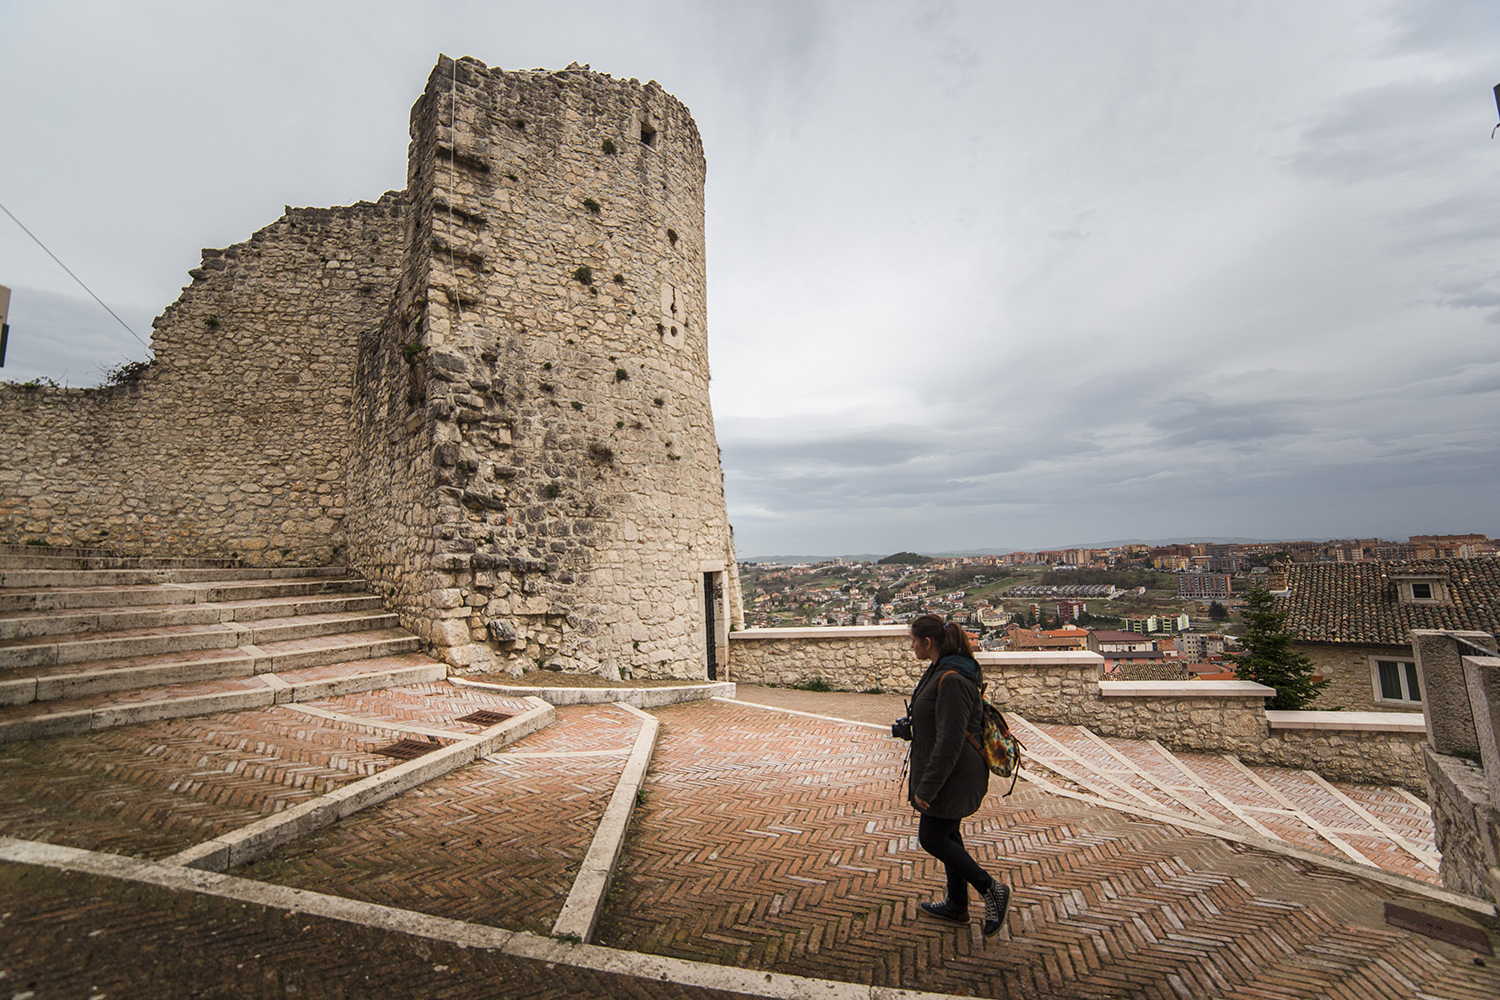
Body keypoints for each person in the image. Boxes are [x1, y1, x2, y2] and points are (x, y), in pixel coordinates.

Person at [904, 614, 1011, 936]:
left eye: (912, 641)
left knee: (933, 837)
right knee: (949, 836)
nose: (910, 647)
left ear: (927, 642)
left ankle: (991, 888)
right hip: (949, 771)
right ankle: (956, 905)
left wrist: (928, 788)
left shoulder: (951, 677)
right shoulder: (940, 669)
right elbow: (939, 721)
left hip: (953, 775)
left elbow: (951, 739)